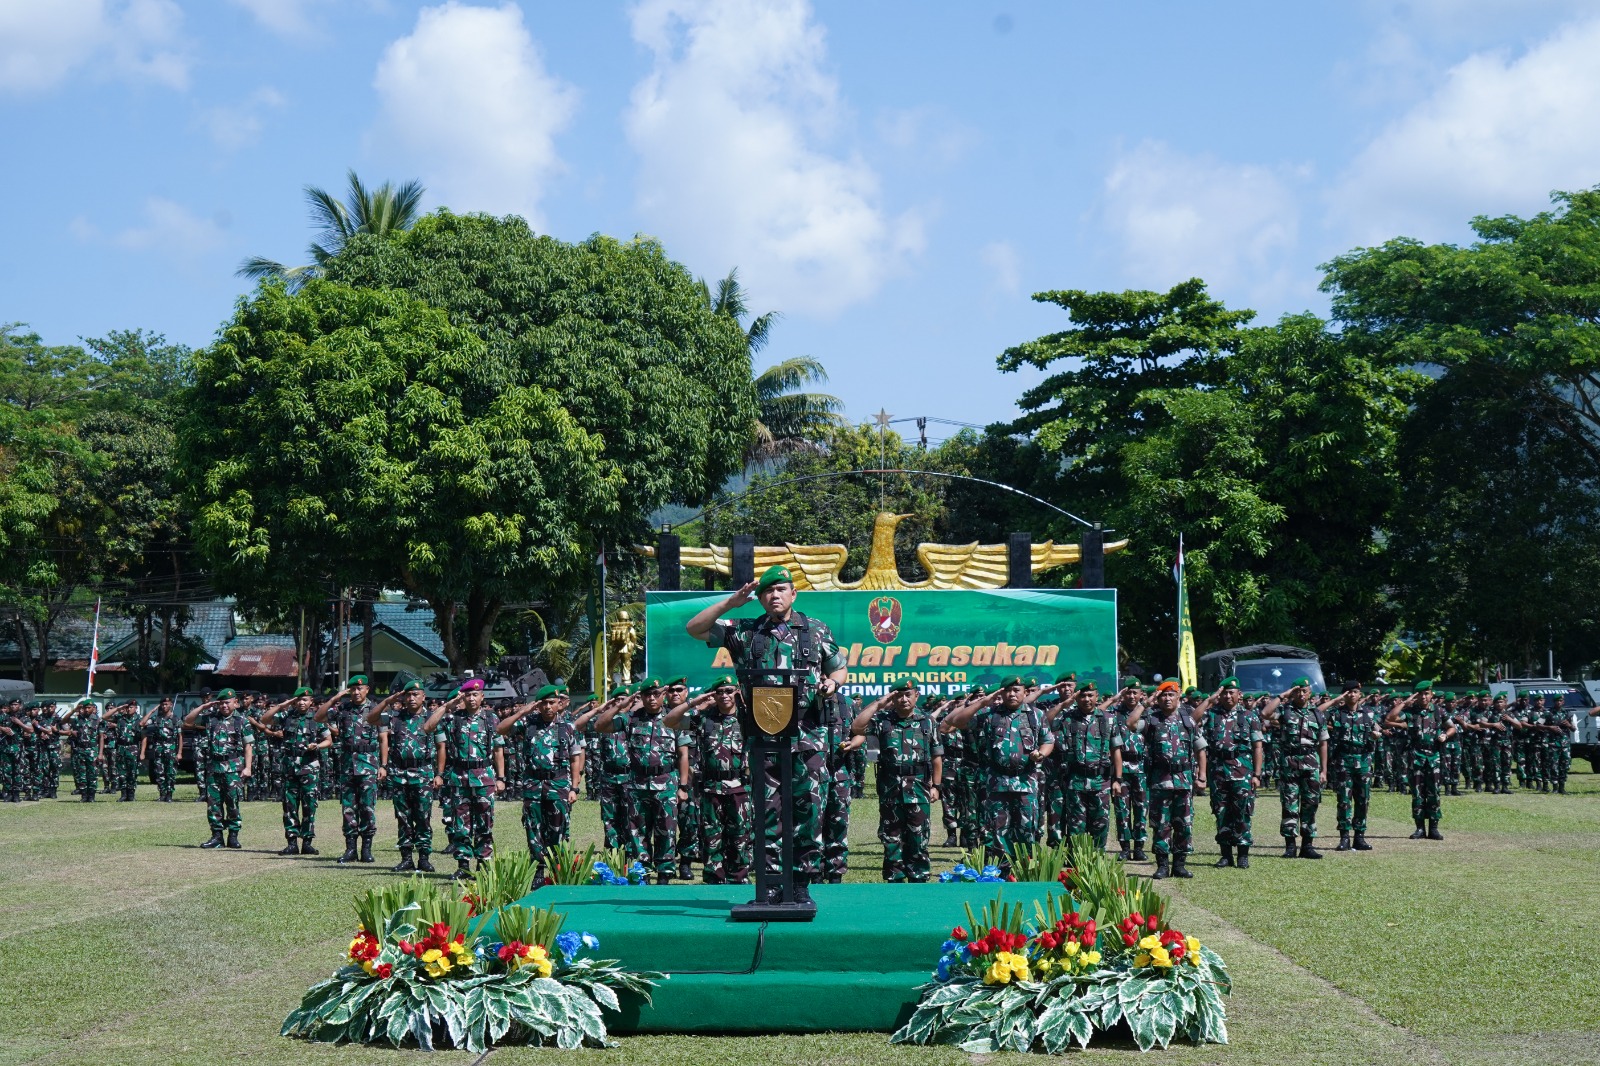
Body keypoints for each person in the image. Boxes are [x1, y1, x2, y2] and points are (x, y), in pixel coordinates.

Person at [685, 565, 849, 905]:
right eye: (767, 591)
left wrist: (833, 683)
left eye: (781, 589)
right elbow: (694, 628)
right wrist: (730, 603)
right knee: (767, 813)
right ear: (759, 598)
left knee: (809, 810)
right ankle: (771, 885)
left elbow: (839, 667)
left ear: (793, 593)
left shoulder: (815, 630)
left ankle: (800, 883)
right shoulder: (745, 631)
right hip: (764, 739)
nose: (774, 596)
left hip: (808, 735)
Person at [940, 675, 1054, 876]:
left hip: (1026, 781)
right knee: (997, 831)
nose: (1011, 694)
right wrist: (982, 701)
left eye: (1016, 690)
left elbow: (1048, 740)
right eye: (1007, 690)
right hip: (997, 783)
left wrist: (1041, 753)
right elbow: (954, 721)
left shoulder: (1036, 715)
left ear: (1025, 692)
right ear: (1001, 693)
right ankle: (999, 874)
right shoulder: (989, 715)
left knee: (1027, 830)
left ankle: (1024, 874)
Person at [589, 677, 688, 885]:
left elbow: (682, 754)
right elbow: (599, 725)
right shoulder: (631, 719)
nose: (652, 698)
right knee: (638, 830)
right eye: (647, 695)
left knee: (666, 829)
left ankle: (664, 874)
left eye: (656, 694)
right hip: (637, 784)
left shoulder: (673, 718)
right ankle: (642, 871)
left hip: (666, 782)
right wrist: (620, 708)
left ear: (663, 695)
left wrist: (683, 786)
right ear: (641, 697)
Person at [664, 675, 754, 884]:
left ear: (736, 692)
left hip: (740, 788)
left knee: (741, 837)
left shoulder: (748, 718)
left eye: (729, 691)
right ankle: (714, 878)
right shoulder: (704, 718)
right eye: (720, 691)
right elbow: (669, 721)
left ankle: (739, 878)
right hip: (711, 788)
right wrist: (693, 702)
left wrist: (745, 699)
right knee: (712, 838)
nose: (725, 695)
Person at [852, 679, 942, 883]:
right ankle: (894, 878)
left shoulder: (927, 721)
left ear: (916, 695)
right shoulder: (883, 720)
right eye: (898, 695)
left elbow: (937, 756)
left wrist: (936, 786)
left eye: (907, 694)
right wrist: (879, 704)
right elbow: (857, 727)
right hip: (890, 789)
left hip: (919, 788)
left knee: (919, 837)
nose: (903, 699)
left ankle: (919, 877)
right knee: (891, 837)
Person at [496, 684, 582, 882]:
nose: (548, 707)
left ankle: (558, 869)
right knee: (533, 827)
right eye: (544, 703)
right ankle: (539, 869)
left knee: (558, 828)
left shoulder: (568, 727)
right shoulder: (529, 724)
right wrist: (523, 712)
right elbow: (501, 729)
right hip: (533, 783)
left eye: (552, 703)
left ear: (559, 703)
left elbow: (575, 759)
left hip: (558, 783)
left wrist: (574, 788)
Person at [428, 678, 505, 879]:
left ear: (482, 697)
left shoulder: (491, 719)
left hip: (484, 778)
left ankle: (483, 864)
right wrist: (447, 706)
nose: (471, 698)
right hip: (459, 778)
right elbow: (428, 727)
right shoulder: (453, 718)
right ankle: (463, 866)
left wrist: (501, 777)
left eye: (475, 694)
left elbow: (498, 750)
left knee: (485, 822)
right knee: (460, 824)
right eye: (467, 695)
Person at [1138, 681, 1206, 879]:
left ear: (1178, 697)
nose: (1167, 699)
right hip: (1160, 780)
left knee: (1184, 824)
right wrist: (1146, 703)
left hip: (1184, 780)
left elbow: (1200, 748)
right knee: (1161, 824)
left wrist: (1202, 776)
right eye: (1163, 696)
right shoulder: (1152, 720)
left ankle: (1179, 865)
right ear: (1158, 698)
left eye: (1171, 695)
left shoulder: (1188, 721)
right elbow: (1131, 724)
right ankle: (1162, 866)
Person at [315, 675, 381, 865]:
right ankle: (350, 849)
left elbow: (384, 738)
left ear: (367, 689)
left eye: (360, 689)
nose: (356, 692)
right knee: (348, 808)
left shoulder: (375, 709)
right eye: (353, 689)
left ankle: (366, 849)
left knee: (368, 808)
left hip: (368, 764)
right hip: (347, 765)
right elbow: (318, 717)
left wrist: (383, 765)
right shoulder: (343, 709)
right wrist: (335, 698)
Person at [256, 687, 329, 855]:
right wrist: (284, 704)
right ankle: (292, 843)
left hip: (309, 767)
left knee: (309, 805)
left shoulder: (317, 719)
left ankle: (307, 842)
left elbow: (328, 740)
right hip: (290, 767)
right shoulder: (286, 716)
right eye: (299, 699)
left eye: (305, 699)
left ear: (311, 702)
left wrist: (317, 746)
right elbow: (265, 719)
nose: (302, 702)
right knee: (289, 806)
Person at [1200, 677, 1263, 868]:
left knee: (1242, 811)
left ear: (1239, 695)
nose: (1228, 696)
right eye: (1225, 692)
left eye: (1231, 692)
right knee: (1221, 812)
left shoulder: (1249, 716)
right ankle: (1226, 854)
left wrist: (1257, 775)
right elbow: (1193, 719)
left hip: (1242, 770)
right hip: (1218, 771)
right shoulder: (1211, 715)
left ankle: (1243, 853)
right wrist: (1211, 699)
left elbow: (1257, 746)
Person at [1262, 679, 1329, 859]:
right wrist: (1282, 695)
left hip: (1310, 763)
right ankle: (1290, 846)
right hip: (1289, 764)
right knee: (1289, 805)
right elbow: (1265, 713)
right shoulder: (1285, 711)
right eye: (1298, 691)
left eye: (1304, 691)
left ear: (1310, 693)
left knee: (1310, 804)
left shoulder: (1317, 714)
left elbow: (1323, 743)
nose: (1301, 694)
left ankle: (1307, 846)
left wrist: (1324, 770)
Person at [183, 689, 254, 849]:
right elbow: (187, 721)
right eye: (221, 703)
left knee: (233, 802)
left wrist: (248, 767)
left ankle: (233, 836)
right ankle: (217, 836)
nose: (224, 705)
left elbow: (248, 746)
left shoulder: (242, 721)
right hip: (214, 768)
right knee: (213, 803)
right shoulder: (210, 719)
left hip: (233, 768)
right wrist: (204, 707)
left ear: (235, 703)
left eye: (227, 702)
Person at [1386, 680, 1455, 839]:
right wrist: (1405, 703)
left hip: (1434, 756)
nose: (1424, 697)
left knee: (1434, 792)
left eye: (1426, 693)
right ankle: (1419, 828)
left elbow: (1452, 728)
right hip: (1415, 756)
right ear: (1416, 696)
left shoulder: (1438, 711)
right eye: (1420, 694)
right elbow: (1389, 719)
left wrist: (1445, 735)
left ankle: (1434, 828)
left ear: (1431, 695)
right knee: (1417, 792)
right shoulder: (1410, 712)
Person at [1054, 683, 1120, 850]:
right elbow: (1047, 723)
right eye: (1082, 696)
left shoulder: (1108, 719)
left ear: (1097, 696)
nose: (1086, 699)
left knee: (1100, 825)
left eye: (1090, 695)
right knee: (1076, 827)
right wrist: (1064, 704)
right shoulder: (1067, 718)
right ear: (1077, 698)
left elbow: (1116, 751)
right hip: (1076, 781)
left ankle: (1097, 861)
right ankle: (1077, 864)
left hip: (1101, 781)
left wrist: (1117, 780)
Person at [1325, 682, 1382, 852]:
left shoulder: (1369, 713)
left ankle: (1360, 837)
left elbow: (1377, 729)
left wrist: (1376, 734)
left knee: (1362, 799)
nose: (1351, 695)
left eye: (1355, 692)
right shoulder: (1336, 714)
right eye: (1348, 692)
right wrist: (1336, 701)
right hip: (1344, 760)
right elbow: (1318, 714)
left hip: (1363, 760)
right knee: (1344, 799)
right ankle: (1344, 837)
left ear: (1360, 695)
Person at [139, 696, 183, 803]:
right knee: (159, 773)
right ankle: (162, 794)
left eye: (166, 704)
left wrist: (179, 752)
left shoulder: (176, 719)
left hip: (171, 749)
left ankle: (169, 794)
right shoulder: (156, 719)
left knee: (170, 773)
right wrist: (152, 711)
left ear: (171, 705)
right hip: (159, 749)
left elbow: (180, 737)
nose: (164, 706)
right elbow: (142, 723)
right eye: (163, 704)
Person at [66, 699, 105, 802]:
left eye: (89, 708)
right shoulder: (78, 719)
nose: (87, 710)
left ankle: (91, 797)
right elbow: (64, 721)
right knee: (82, 774)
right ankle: (83, 796)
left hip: (92, 750)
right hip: (80, 750)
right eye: (85, 708)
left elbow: (101, 737)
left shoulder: (98, 720)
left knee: (93, 774)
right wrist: (74, 710)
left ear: (93, 708)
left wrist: (100, 753)